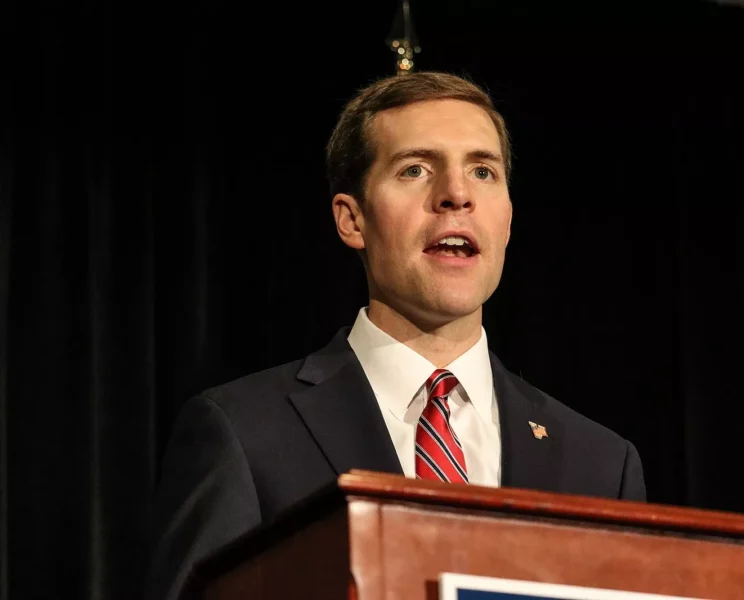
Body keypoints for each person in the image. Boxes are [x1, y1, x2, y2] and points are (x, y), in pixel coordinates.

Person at [143, 71, 646, 600]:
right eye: (415, 169)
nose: (456, 195)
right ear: (352, 219)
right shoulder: (244, 434)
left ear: (508, 221)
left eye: (482, 171)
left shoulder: (601, 463)